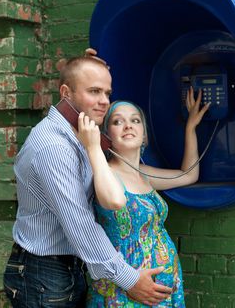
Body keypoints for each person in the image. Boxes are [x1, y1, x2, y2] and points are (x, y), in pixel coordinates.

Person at [3, 50, 173, 308]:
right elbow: (81, 225)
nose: (104, 101)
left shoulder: (80, 133)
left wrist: (86, 67)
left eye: (107, 92)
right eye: (94, 91)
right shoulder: (54, 147)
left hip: (69, 269)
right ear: (65, 93)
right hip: (43, 274)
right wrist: (130, 280)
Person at [75, 88, 210, 307]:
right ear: (106, 135)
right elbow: (112, 201)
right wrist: (94, 148)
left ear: (144, 134)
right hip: (126, 288)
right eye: (118, 122)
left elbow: (189, 174)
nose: (128, 125)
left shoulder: (144, 174)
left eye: (135, 120)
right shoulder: (104, 171)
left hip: (164, 289)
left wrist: (191, 127)